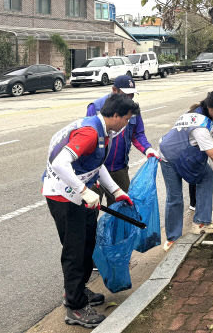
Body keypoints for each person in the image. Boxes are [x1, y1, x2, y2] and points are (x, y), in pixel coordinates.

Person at [42, 94, 139, 328]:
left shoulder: (104, 130)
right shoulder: (90, 132)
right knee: (75, 250)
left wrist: (116, 191)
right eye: (126, 119)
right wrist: (83, 190)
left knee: (87, 243)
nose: (127, 124)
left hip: (79, 193)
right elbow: (59, 164)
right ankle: (74, 307)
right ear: (115, 116)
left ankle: (78, 289)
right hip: (63, 196)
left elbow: (97, 164)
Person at [158, 90, 213, 252]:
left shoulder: (200, 113)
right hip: (168, 158)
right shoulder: (200, 127)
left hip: (185, 154)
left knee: (206, 175)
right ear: (210, 107)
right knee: (174, 197)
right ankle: (172, 237)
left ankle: (201, 221)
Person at [87, 75, 159, 203]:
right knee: (91, 210)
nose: (129, 98)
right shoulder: (96, 108)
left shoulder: (132, 109)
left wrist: (147, 149)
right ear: (114, 90)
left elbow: (137, 134)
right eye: (126, 94)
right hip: (96, 169)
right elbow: (89, 139)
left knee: (122, 208)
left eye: (132, 95)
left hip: (119, 168)